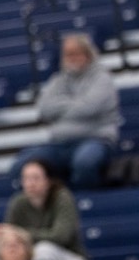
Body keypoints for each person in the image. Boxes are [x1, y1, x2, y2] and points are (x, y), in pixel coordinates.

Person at [14, 33, 120, 190]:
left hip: (95, 139)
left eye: (76, 53)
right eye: (68, 54)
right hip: (59, 143)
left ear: (88, 54)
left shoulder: (102, 79)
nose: (72, 58)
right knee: (22, 166)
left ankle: (89, 202)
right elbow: (44, 109)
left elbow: (89, 108)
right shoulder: (58, 80)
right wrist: (75, 104)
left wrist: (61, 108)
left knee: (84, 163)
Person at [4, 159, 91, 260]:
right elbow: (10, 236)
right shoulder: (17, 202)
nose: (31, 183)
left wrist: (23, 234)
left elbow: (61, 236)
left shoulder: (62, 198)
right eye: (26, 178)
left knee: (44, 250)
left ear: (48, 180)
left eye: (36, 178)